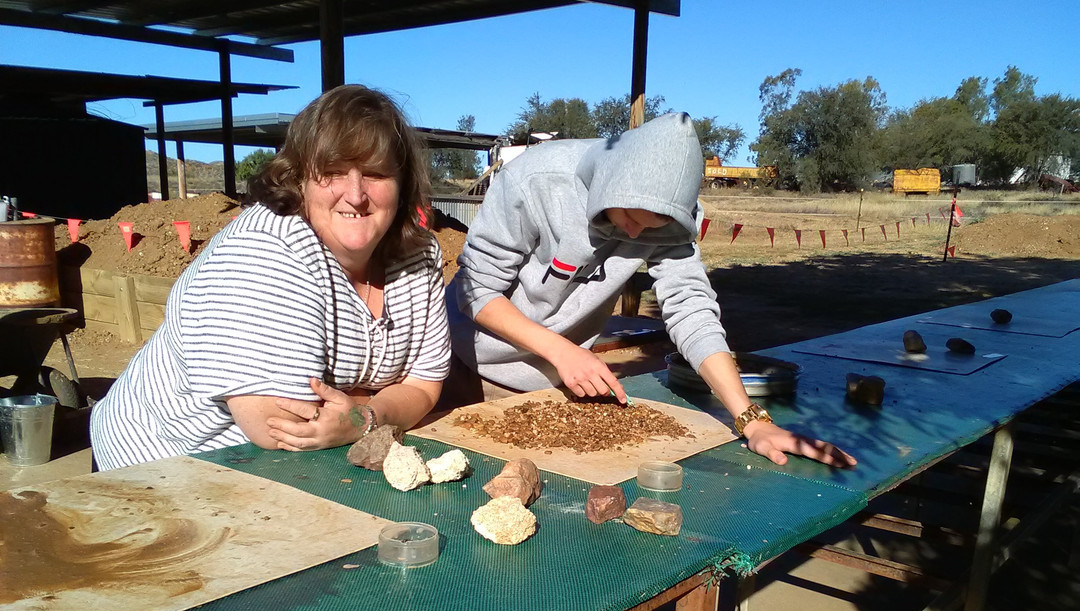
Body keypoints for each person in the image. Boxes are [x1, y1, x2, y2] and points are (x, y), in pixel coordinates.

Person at [445, 112, 854, 468]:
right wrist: (560, 348)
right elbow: (475, 289)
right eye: (628, 217)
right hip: (468, 364)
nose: (637, 234)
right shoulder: (535, 181)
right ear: (608, 185)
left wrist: (752, 420)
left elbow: (690, 308)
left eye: (652, 227)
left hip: (554, 384)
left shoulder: (673, 219)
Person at [90, 85, 450, 471]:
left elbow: (425, 388)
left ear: (402, 182)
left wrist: (361, 416)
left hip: (286, 467)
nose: (356, 194)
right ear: (299, 180)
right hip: (162, 463)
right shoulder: (267, 250)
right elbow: (280, 427)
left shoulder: (420, 256)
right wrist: (376, 400)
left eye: (376, 173)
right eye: (331, 172)